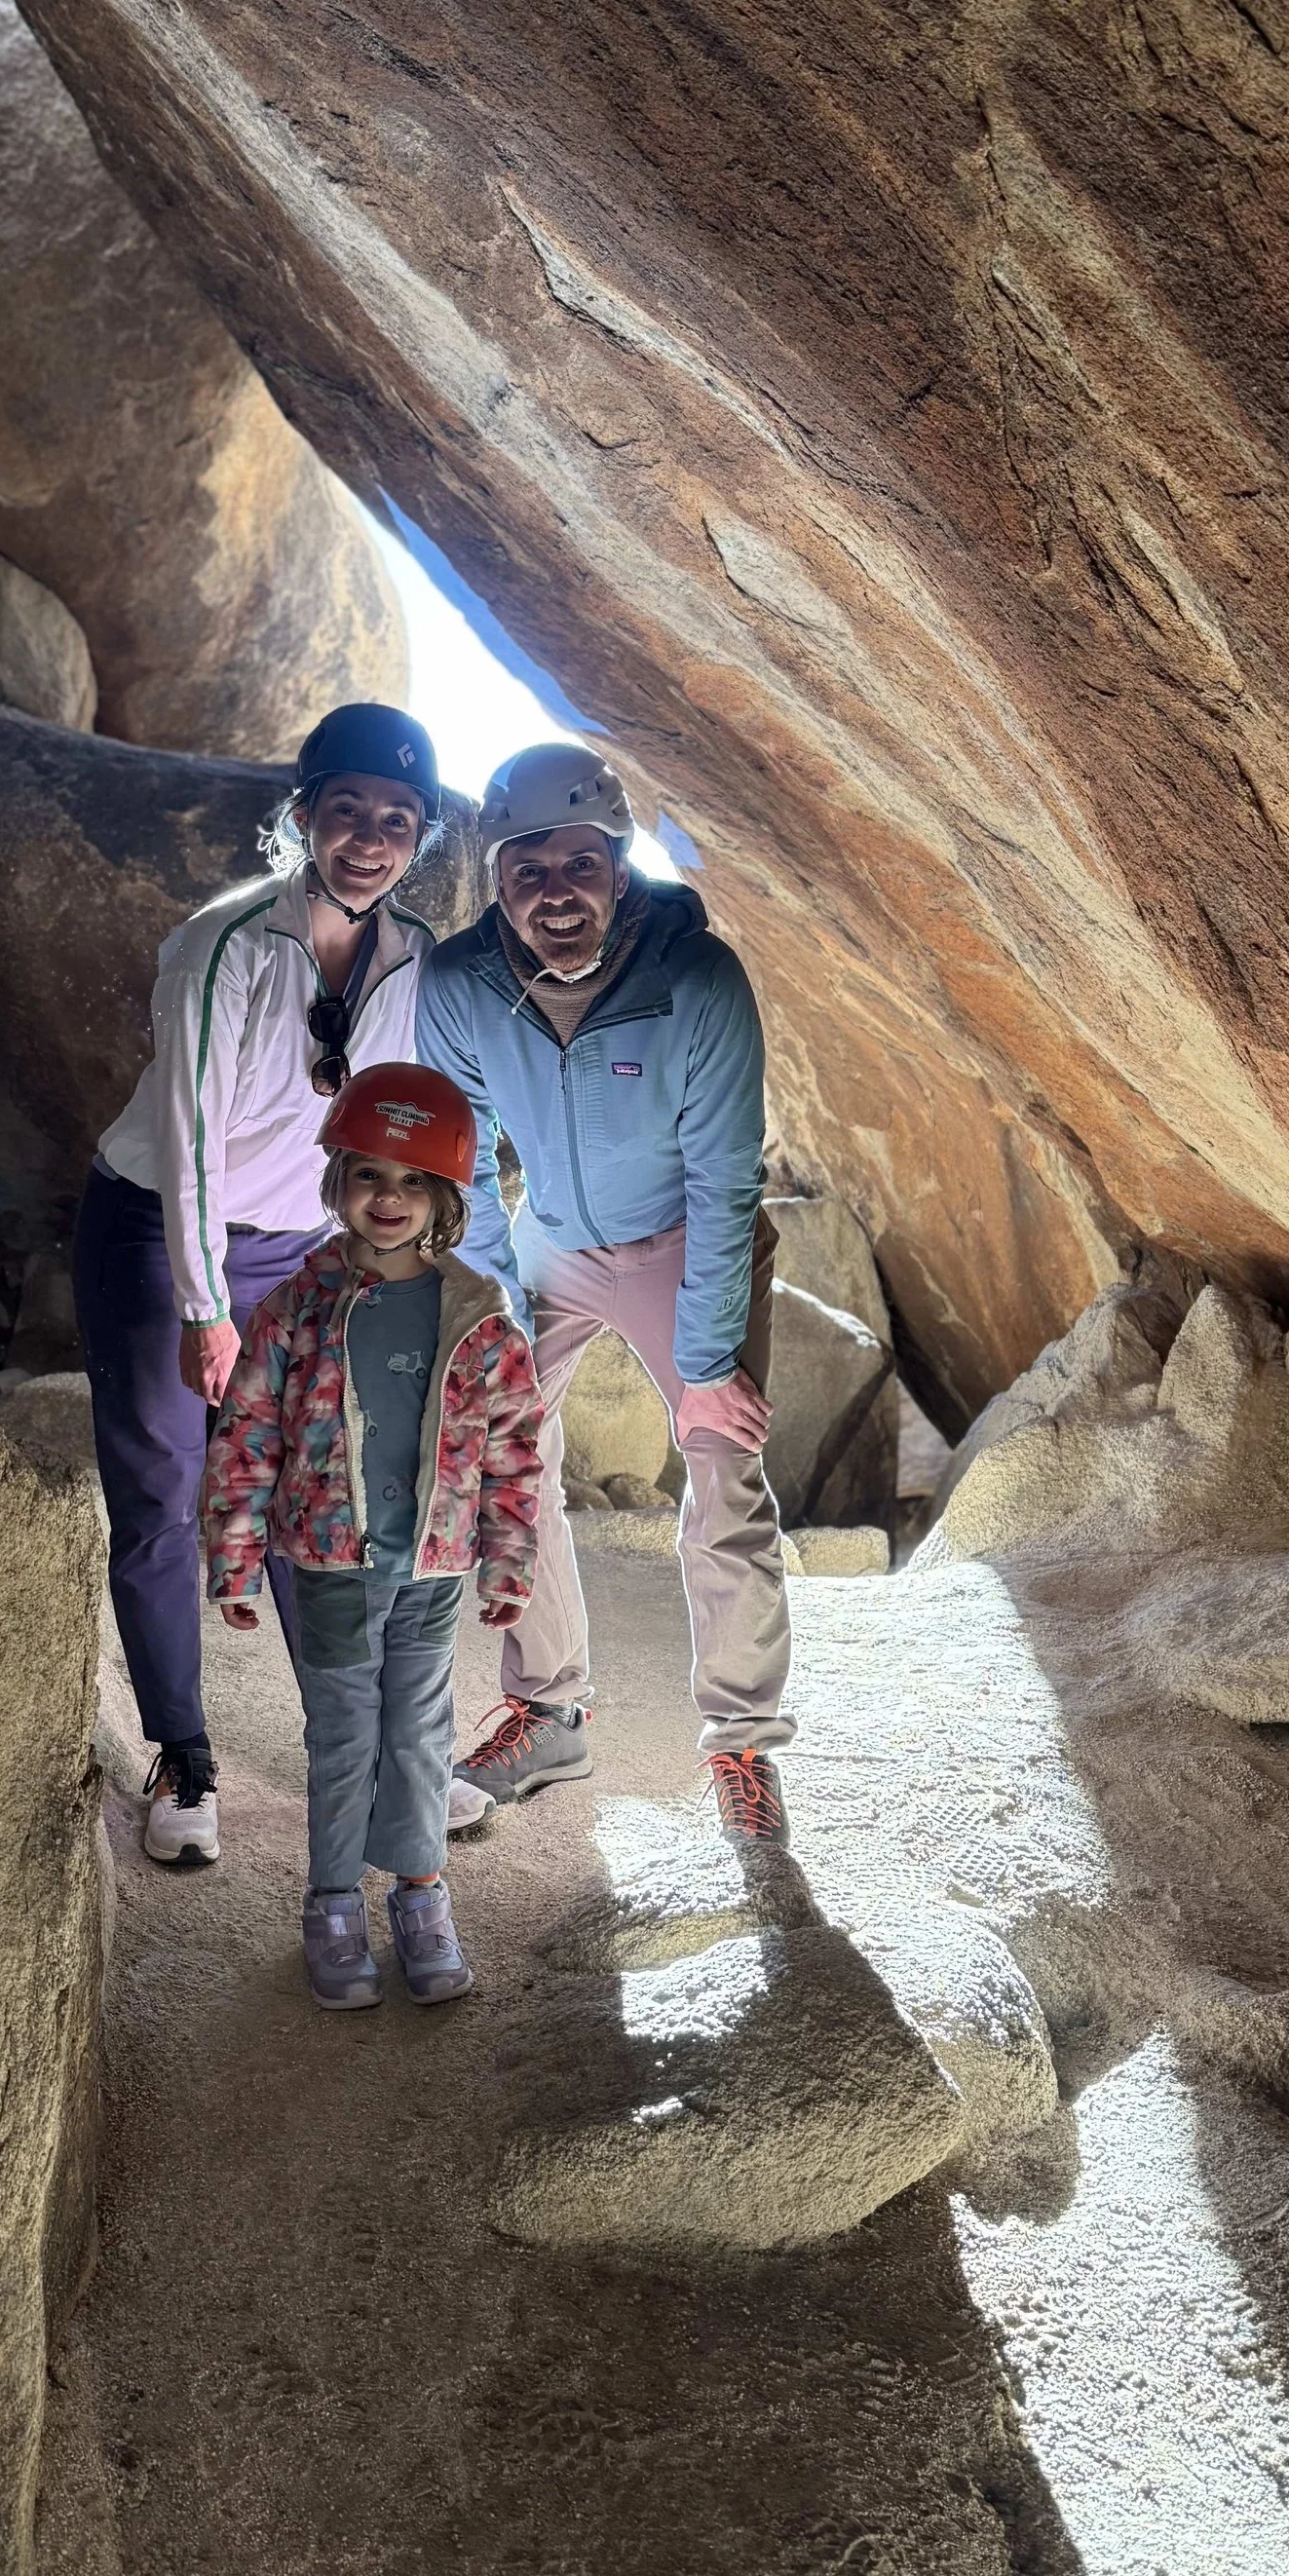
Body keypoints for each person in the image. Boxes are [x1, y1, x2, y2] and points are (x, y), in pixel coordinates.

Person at [76, 705, 441, 1871]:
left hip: (293, 1249)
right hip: (159, 1230)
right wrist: (201, 1308)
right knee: (162, 1493)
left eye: (396, 821)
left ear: (416, 839)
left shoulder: (412, 959)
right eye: (348, 812)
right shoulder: (222, 947)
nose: (370, 838)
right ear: (303, 817)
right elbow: (190, 1141)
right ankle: (181, 1759)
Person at [413, 742, 795, 1841]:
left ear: (618, 867)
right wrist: (492, 1310)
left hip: (688, 1241)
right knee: (496, 1439)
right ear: (496, 881)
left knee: (722, 1480)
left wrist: (711, 1366)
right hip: (553, 1246)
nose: (554, 892)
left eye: (577, 863)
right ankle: (547, 1712)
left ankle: (740, 1744)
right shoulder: (459, 987)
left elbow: (728, 1180)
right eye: (526, 870)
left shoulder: (697, 984)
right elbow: (462, 1158)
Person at [201, 1062, 542, 2010]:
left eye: (412, 1181)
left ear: (443, 1197)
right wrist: (234, 1554)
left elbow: (516, 1447)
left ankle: (422, 1895)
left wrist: (509, 1556)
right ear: (337, 1180)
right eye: (368, 1177)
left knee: (421, 1729)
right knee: (345, 1730)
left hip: (430, 1567)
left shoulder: (477, 1316)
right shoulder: (296, 1309)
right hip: (331, 1563)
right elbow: (247, 1433)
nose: (387, 1200)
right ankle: (333, 1901)